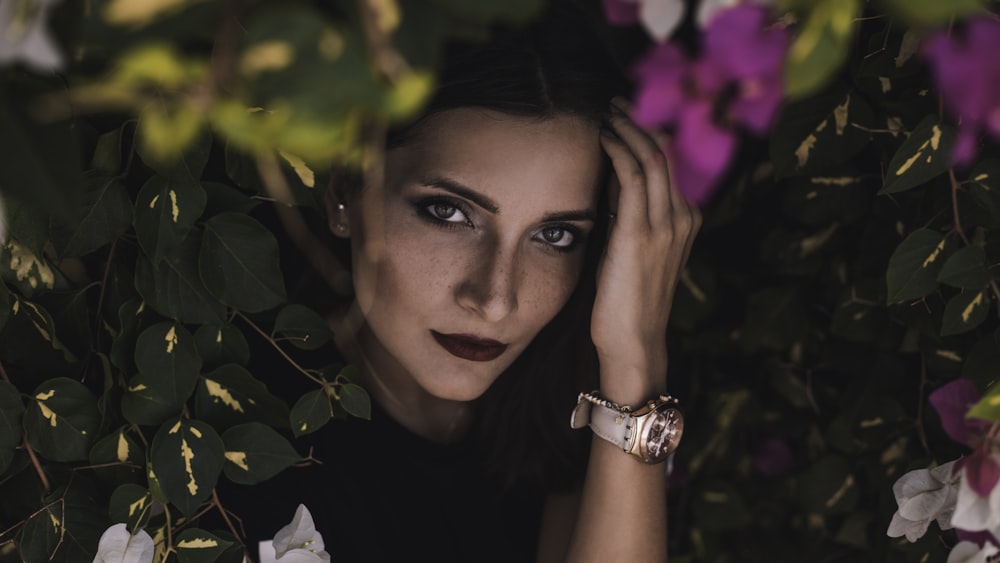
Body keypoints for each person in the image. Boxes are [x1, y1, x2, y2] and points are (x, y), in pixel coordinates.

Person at [228, 3, 700, 561]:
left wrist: (635, 360)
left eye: (555, 235)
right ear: (344, 191)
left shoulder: (575, 407)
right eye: (449, 213)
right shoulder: (238, 442)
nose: (496, 300)